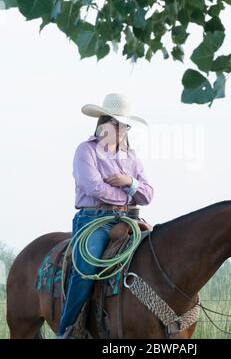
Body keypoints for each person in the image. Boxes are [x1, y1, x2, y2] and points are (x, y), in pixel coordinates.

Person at [56, 93, 154, 338]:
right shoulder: (85, 151)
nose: (121, 130)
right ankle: (67, 330)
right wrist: (129, 194)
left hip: (128, 219)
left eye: (125, 126)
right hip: (93, 220)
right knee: (86, 269)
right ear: (103, 123)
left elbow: (148, 194)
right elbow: (94, 187)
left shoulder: (131, 157)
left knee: (155, 253)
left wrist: (128, 181)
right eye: (116, 124)